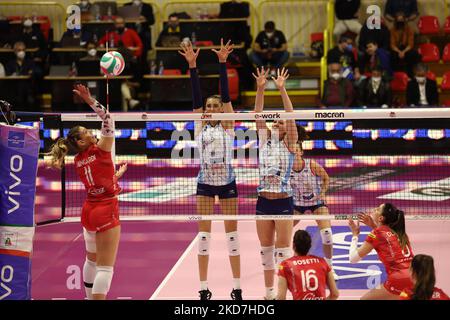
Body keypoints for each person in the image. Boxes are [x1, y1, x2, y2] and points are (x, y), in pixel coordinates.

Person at [46, 84, 127, 300]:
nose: (91, 132)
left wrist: (114, 177)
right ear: (82, 141)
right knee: (105, 268)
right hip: (105, 209)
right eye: (87, 132)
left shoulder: (78, 160)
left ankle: (88, 297)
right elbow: (108, 118)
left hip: (89, 211)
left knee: (92, 260)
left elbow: (97, 181)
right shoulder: (101, 150)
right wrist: (90, 100)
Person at [179, 39, 242, 300]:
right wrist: (193, 65)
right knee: (203, 238)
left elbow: (226, 96)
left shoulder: (228, 125)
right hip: (205, 184)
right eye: (209, 106)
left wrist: (222, 62)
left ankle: (237, 288)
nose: (213, 108)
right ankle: (203, 288)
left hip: (227, 184)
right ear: (205, 111)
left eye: (217, 106)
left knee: (232, 238)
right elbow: (196, 95)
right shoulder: (201, 126)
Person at [253, 66, 298, 300]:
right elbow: (258, 113)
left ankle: (285, 294)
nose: (276, 125)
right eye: (275, 123)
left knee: (283, 253)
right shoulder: (264, 141)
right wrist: (261, 89)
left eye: (280, 123)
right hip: (263, 202)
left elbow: (290, 116)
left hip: (283, 202)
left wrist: (282, 90)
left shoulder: (290, 143)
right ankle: (269, 293)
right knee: (266, 252)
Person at [290, 129, 334, 274]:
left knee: (327, 233)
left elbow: (326, 178)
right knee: (282, 232)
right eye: (292, 150)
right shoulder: (286, 168)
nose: (294, 153)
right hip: (296, 205)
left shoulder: (311, 165)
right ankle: (286, 262)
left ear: (301, 152)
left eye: (297, 150)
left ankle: (329, 267)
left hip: (316, 203)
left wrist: (322, 192)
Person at [348, 203, 414, 299]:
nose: (375, 209)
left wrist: (355, 235)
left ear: (381, 218)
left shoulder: (376, 233)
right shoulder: (401, 233)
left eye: (378, 209)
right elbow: (384, 237)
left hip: (399, 279)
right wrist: (373, 225)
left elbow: (353, 258)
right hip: (416, 276)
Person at [277, 230, 339, 300]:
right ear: (310, 246)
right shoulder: (323, 262)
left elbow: (281, 298)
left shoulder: (285, 265)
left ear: (293, 245)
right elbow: (335, 294)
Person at [5, 41, 37, 110]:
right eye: (19, 50)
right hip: (13, 88)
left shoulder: (30, 62)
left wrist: (31, 73)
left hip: (27, 88)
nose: (21, 52)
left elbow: (35, 71)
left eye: (23, 50)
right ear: (15, 51)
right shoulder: (10, 63)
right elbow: (7, 75)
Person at [390, 12, 421, 78]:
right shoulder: (392, 30)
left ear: (404, 20)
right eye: (398, 20)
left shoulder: (409, 29)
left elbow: (410, 44)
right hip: (396, 49)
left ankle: (411, 75)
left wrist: (403, 52)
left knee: (414, 55)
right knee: (392, 55)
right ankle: (395, 76)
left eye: (401, 20)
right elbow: (392, 44)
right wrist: (399, 52)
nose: (400, 22)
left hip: (407, 48)